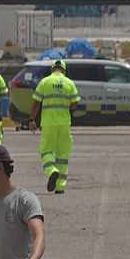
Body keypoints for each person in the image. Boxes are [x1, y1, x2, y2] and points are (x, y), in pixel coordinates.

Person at [32, 58, 79, 193]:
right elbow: (75, 104)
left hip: (48, 123)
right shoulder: (69, 83)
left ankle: (51, 170)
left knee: (46, 151)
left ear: (52, 69)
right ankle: (60, 187)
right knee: (63, 156)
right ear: (63, 70)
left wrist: (31, 119)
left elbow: (36, 103)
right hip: (64, 123)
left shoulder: (45, 82)